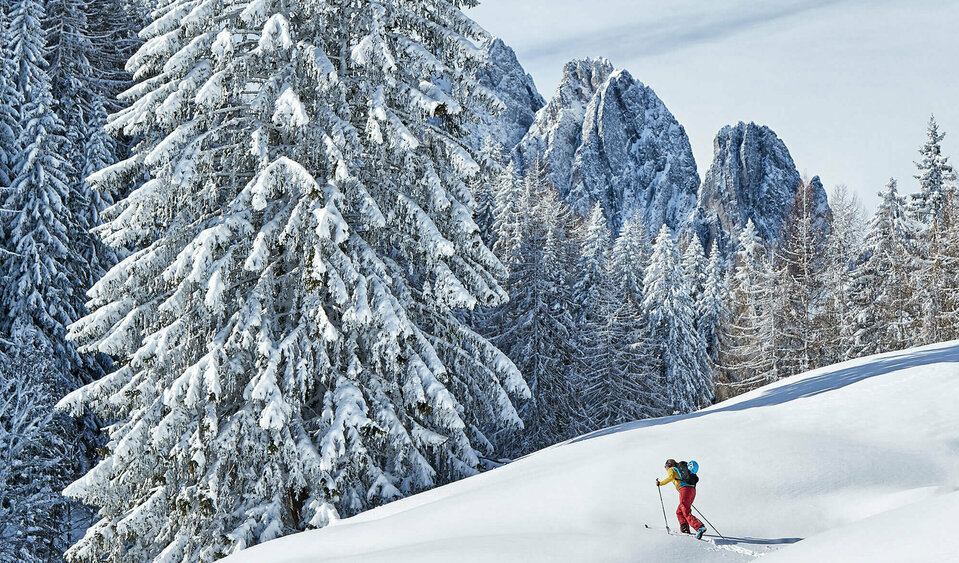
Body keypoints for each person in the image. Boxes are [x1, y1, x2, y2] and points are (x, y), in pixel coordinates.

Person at [656, 459, 706, 539]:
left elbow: (671, 477)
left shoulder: (672, 469)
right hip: (692, 490)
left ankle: (699, 527)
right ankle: (685, 530)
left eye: (666, 465)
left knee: (685, 510)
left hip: (685, 489)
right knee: (679, 512)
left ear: (669, 465)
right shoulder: (679, 470)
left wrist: (660, 483)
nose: (665, 467)